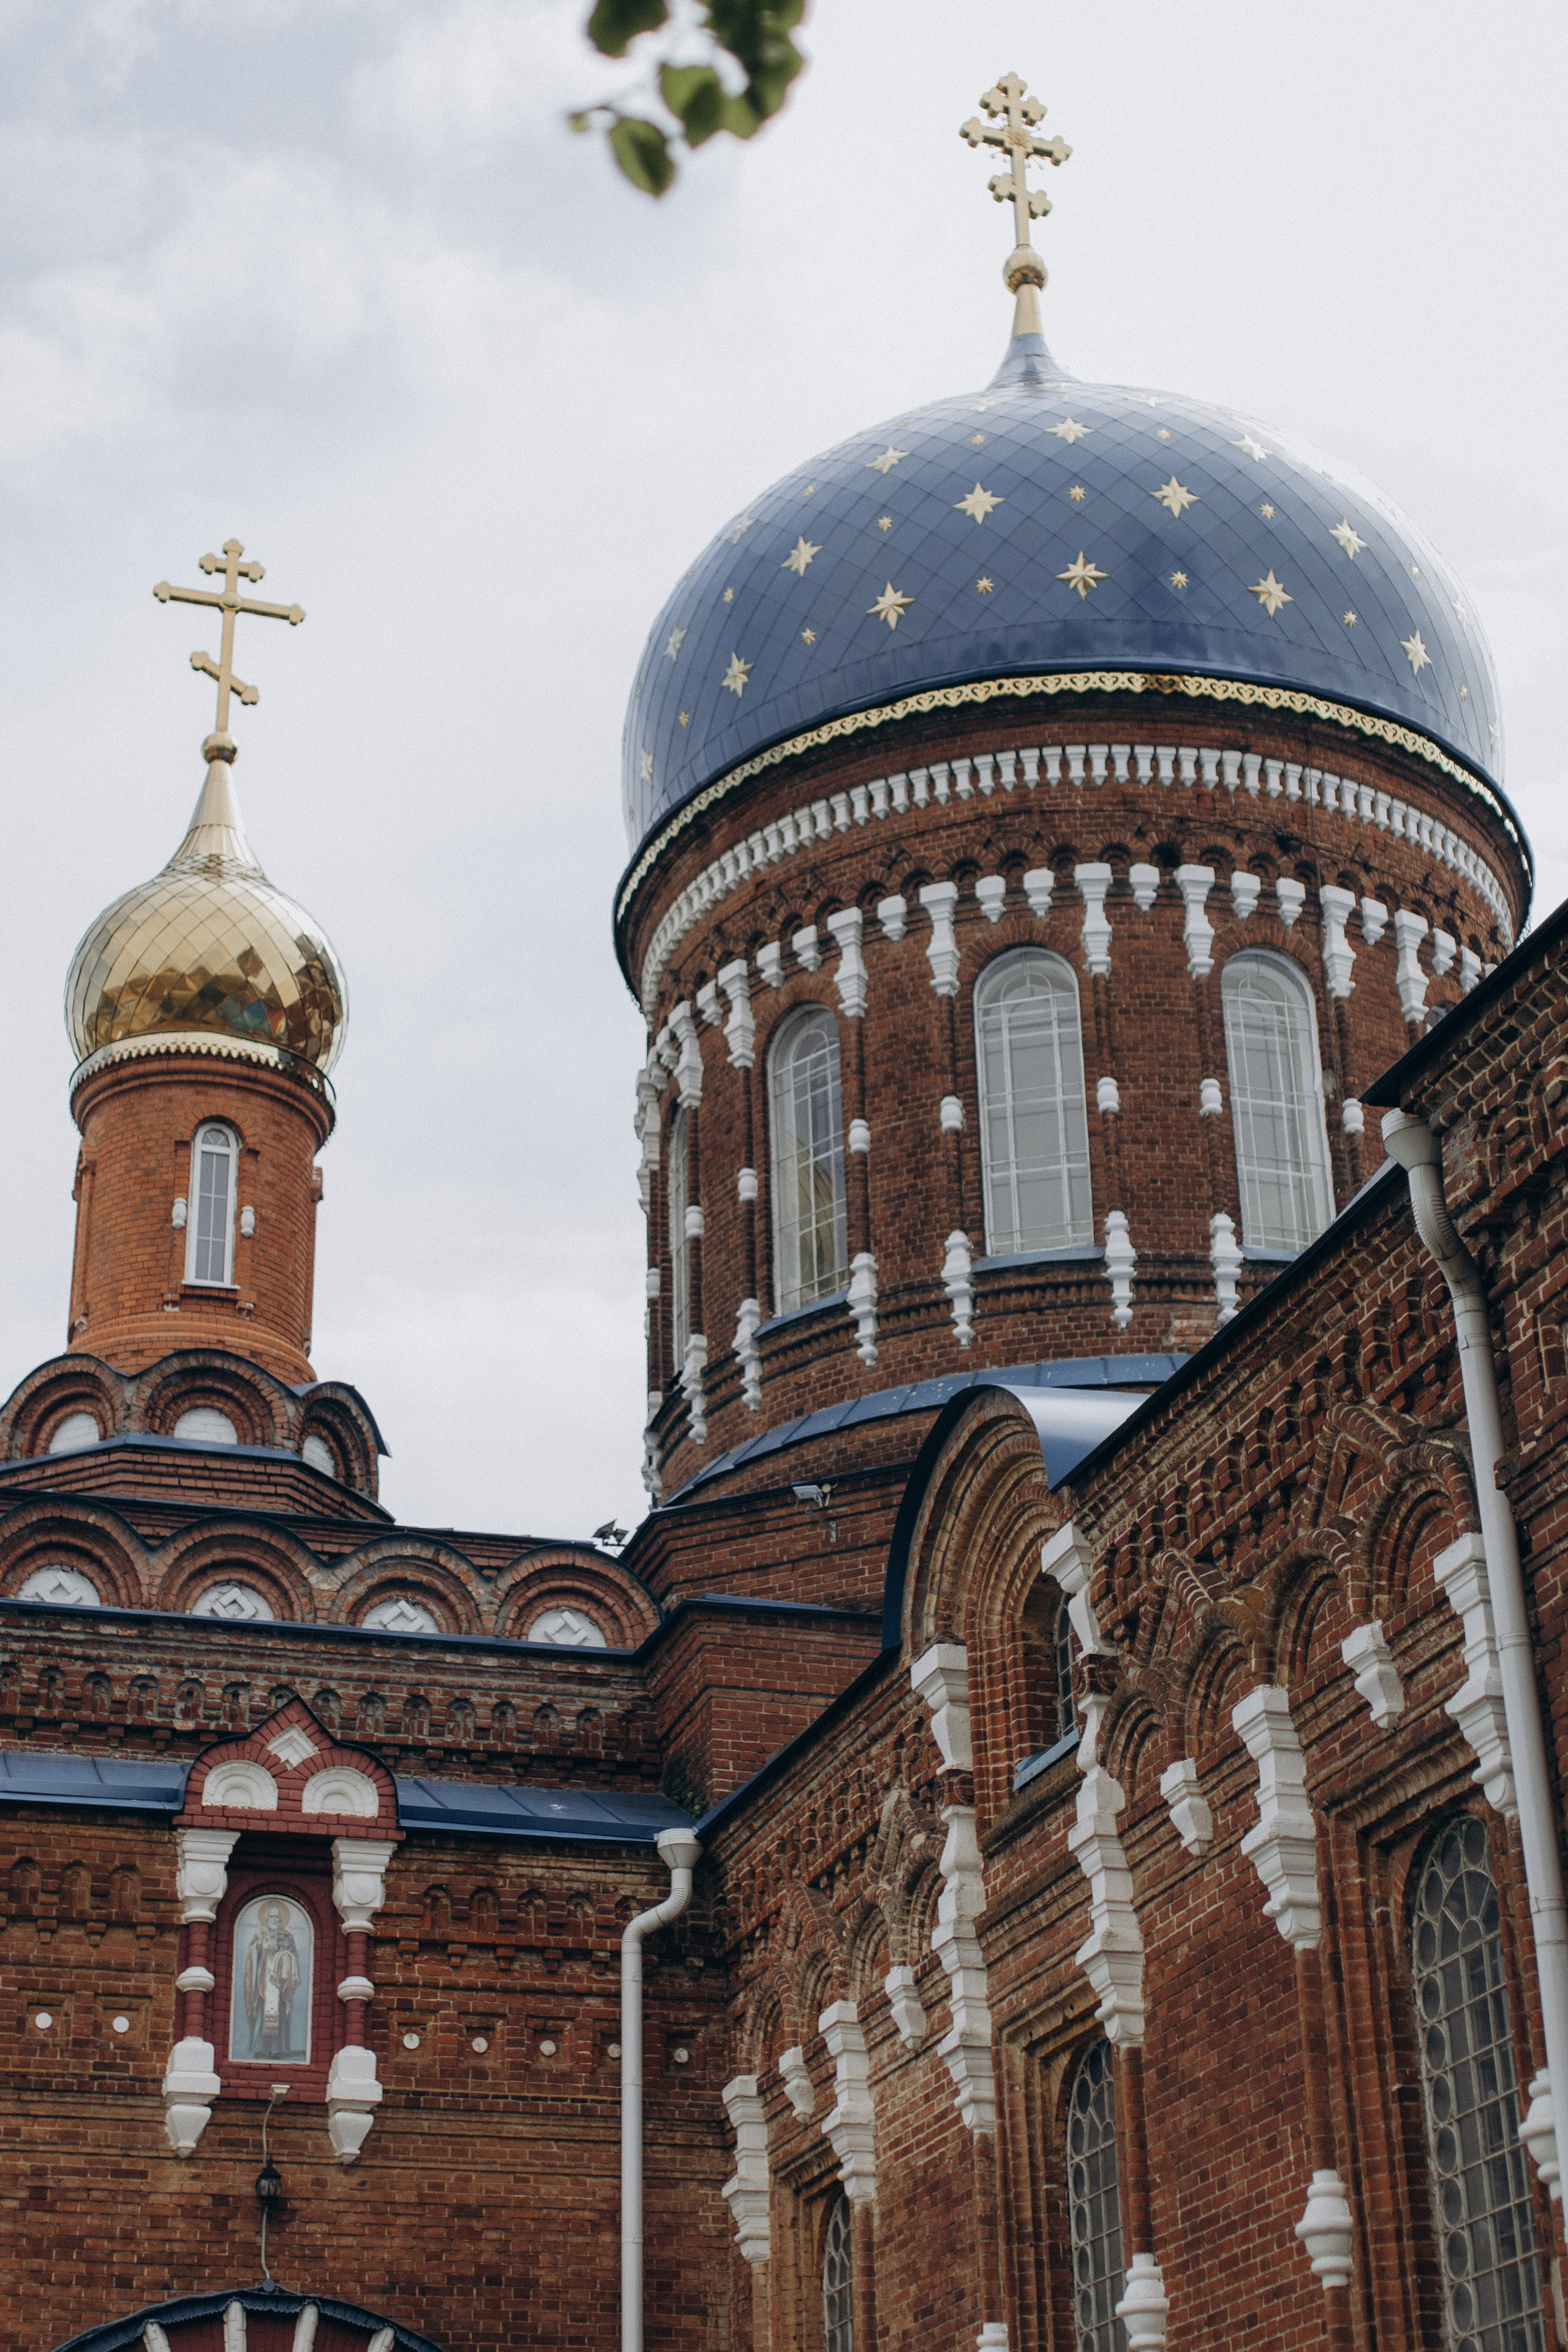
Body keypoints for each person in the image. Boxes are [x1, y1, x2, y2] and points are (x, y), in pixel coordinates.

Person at [241, 1898, 305, 2060]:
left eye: (277, 1918)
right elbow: (251, 1955)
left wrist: (285, 1956)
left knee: (280, 2014)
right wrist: (259, 1948)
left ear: (281, 1920)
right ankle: (259, 2047)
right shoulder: (260, 1933)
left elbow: (294, 1957)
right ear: (266, 1918)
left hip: (279, 1982)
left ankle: (278, 2049)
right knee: (261, 2012)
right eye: (271, 1917)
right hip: (263, 1979)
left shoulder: (287, 1936)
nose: (274, 1920)